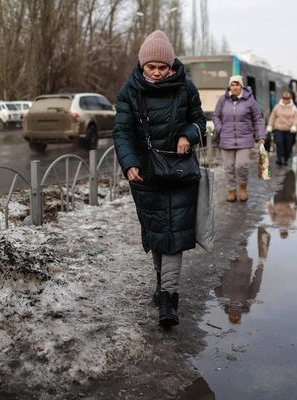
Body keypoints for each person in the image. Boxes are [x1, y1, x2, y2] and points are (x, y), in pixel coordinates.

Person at [114, 30, 206, 327]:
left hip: (180, 171)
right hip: (145, 173)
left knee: (175, 235)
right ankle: (160, 283)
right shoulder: (130, 91)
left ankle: (169, 301)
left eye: (162, 67)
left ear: (171, 65)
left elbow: (199, 122)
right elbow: (122, 132)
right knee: (157, 232)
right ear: (142, 65)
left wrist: (187, 135)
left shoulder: (186, 88)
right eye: (151, 67)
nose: (156, 72)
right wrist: (128, 163)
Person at [212, 75, 265, 202]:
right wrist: (220, 129)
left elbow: (257, 119)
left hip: (244, 138)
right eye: (232, 85)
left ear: (242, 86)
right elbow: (216, 116)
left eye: (237, 85)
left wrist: (261, 136)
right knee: (229, 167)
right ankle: (231, 191)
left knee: (241, 165)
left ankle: (242, 188)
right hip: (226, 138)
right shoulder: (223, 100)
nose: (235, 87)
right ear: (230, 86)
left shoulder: (250, 100)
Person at [267, 91, 297, 166]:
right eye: (284, 99)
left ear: (290, 99)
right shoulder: (277, 106)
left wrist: (294, 126)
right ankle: (279, 157)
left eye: (287, 99)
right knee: (279, 142)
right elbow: (272, 117)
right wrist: (270, 126)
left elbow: (295, 118)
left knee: (287, 145)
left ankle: (286, 158)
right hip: (278, 128)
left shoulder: (293, 107)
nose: (286, 100)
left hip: (289, 129)